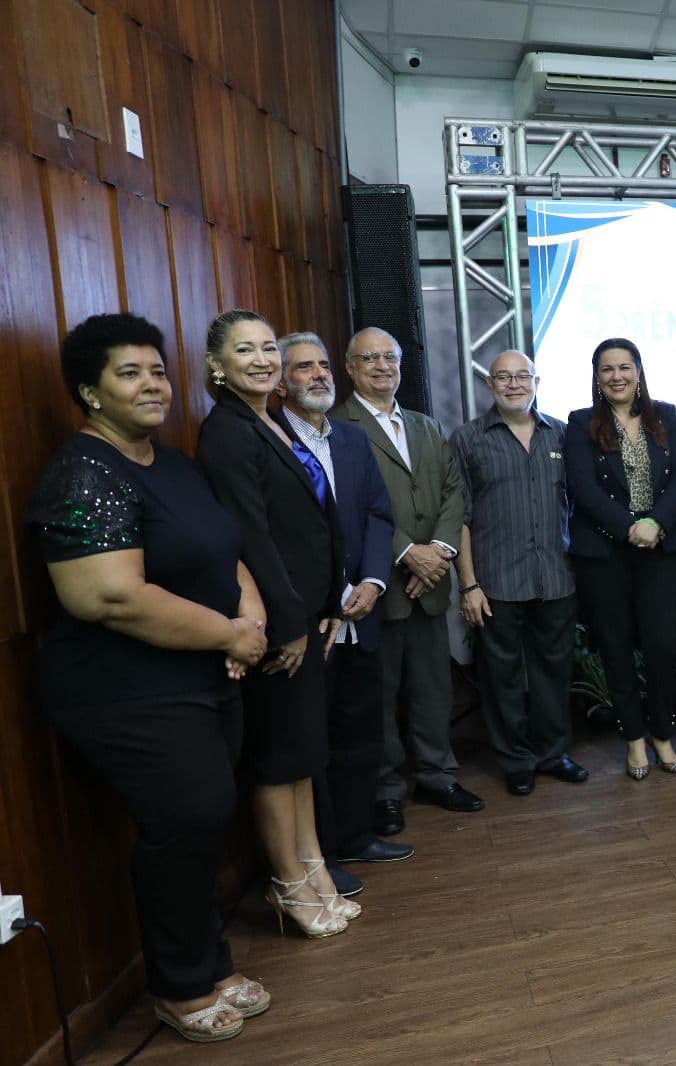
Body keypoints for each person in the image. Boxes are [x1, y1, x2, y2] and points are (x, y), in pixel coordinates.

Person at [26, 313, 271, 1041]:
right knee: (185, 822)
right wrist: (231, 633)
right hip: (126, 690)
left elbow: (225, 549)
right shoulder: (81, 470)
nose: (152, 385)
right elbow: (106, 596)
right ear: (89, 392)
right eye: (129, 373)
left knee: (201, 825)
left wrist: (249, 621)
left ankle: (210, 963)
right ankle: (181, 983)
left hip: (205, 676)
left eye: (158, 370)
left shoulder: (174, 464)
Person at [195, 309, 357, 939]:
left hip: (309, 620)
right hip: (277, 630)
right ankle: (289, 885)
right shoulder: (228, 433)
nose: (263, 360)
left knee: (303, 757)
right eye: (246, 350)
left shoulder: (268, 422)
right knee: (277, 760)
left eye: (269, 349)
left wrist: (322, 610)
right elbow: (251, 537)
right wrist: (289, 623)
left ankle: (314, 869)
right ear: (217, 365)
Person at [330, 328, 483, 833]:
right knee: (380, 693)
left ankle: (439, 775)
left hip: (431, 581)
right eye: (369, 358)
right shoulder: (337, 426)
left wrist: (437, 553)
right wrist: (406, 555)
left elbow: (452, 492)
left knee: (433, 688)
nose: (381, 366)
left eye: (390, 357)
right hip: (377, 585)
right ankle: (387, 790)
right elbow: (348, 504)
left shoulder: (425, 425)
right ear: (349, 368)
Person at [276, 333, 413, 882]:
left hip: (363, 611)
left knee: (361, 731)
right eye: (303, 368)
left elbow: (380, 516)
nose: (318, 375)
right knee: (315, 741)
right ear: (281, 381)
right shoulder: (273, 440)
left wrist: (377, 581)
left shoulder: (353, 441)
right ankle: (323, 855)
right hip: (310, 622)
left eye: (322, 365)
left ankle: (357, 836)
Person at [451, 350, 587, 795]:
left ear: (536, 381)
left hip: (556, 578)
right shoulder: (468, 440)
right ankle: (515, 761)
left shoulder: (564, 436)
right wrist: (468, 584)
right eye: (503, 378)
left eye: (521, 376)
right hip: (495, 584)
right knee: (502, 678)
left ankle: (553, 753)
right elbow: (459, 519)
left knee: (553, 671)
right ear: (489, 385)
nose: (513, 384)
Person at [564, 338, 676, 779]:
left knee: (661, 647)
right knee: (616, 648)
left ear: (638, 371)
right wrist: (628, 527)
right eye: (607, 369)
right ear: (597, 377)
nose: (616, 376)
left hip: (659, 548)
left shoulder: (667, 416)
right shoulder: (581, 422)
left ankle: (662, 734)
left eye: (624, 367)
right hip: (605, 554)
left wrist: (655, 523)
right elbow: (582, 487)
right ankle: (635, 741)